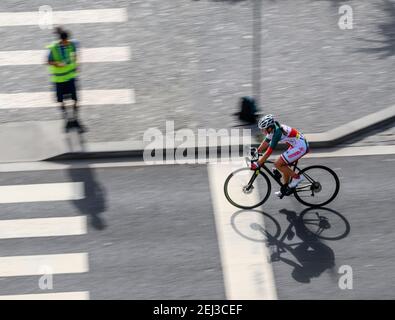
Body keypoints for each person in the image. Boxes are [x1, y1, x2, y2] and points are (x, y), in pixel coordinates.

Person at [251, 114, 309, 197]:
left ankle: (297, 178)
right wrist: (257, 150)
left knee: (278, 164)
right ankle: (285, 188)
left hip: (301, 147)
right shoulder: (273, 128)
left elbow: (269, 151)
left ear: (269, 128)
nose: (262, 131)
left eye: (263, 129)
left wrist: (259, 163)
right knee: (282, 164)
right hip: (296, 145)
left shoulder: (277, 132)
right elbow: (265, 142)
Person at [47, 27, 85, 133]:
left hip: (70, 77)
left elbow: (76, 51)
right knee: (61, 100)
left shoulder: (71, 44)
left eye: (67, 41)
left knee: (75, 99)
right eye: (64, 41)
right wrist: (58, 64)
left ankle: (75, 117)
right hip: (59, 79)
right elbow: (48, 61)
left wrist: (77, 63)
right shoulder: (53, 48)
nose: (66, 43)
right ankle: (66, 117)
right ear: (61, 40)